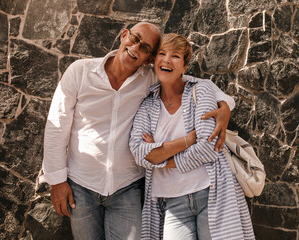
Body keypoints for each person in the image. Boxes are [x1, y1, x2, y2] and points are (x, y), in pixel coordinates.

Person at [39, 22, 235, 240]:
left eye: (145, 48)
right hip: (81, 185)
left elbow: (187, 82)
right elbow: (57, 126)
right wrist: (57, 181)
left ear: (149, 59)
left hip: (126, 188)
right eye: (135, 39)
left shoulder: (150, 79)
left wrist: (224, 106)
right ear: (124, 35)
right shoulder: (80, 71)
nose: (136, 48)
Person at [130, 33, 255, 240]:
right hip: (172, 202)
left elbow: (208, 147)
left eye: (175, 56)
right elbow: (140, 154)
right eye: (162, 54)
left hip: (212, 193)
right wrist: (189, 140)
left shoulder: (202, 90)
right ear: (154, 61)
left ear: (185, 66)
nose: (167, 60)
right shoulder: (147, 106)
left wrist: (160, 155)